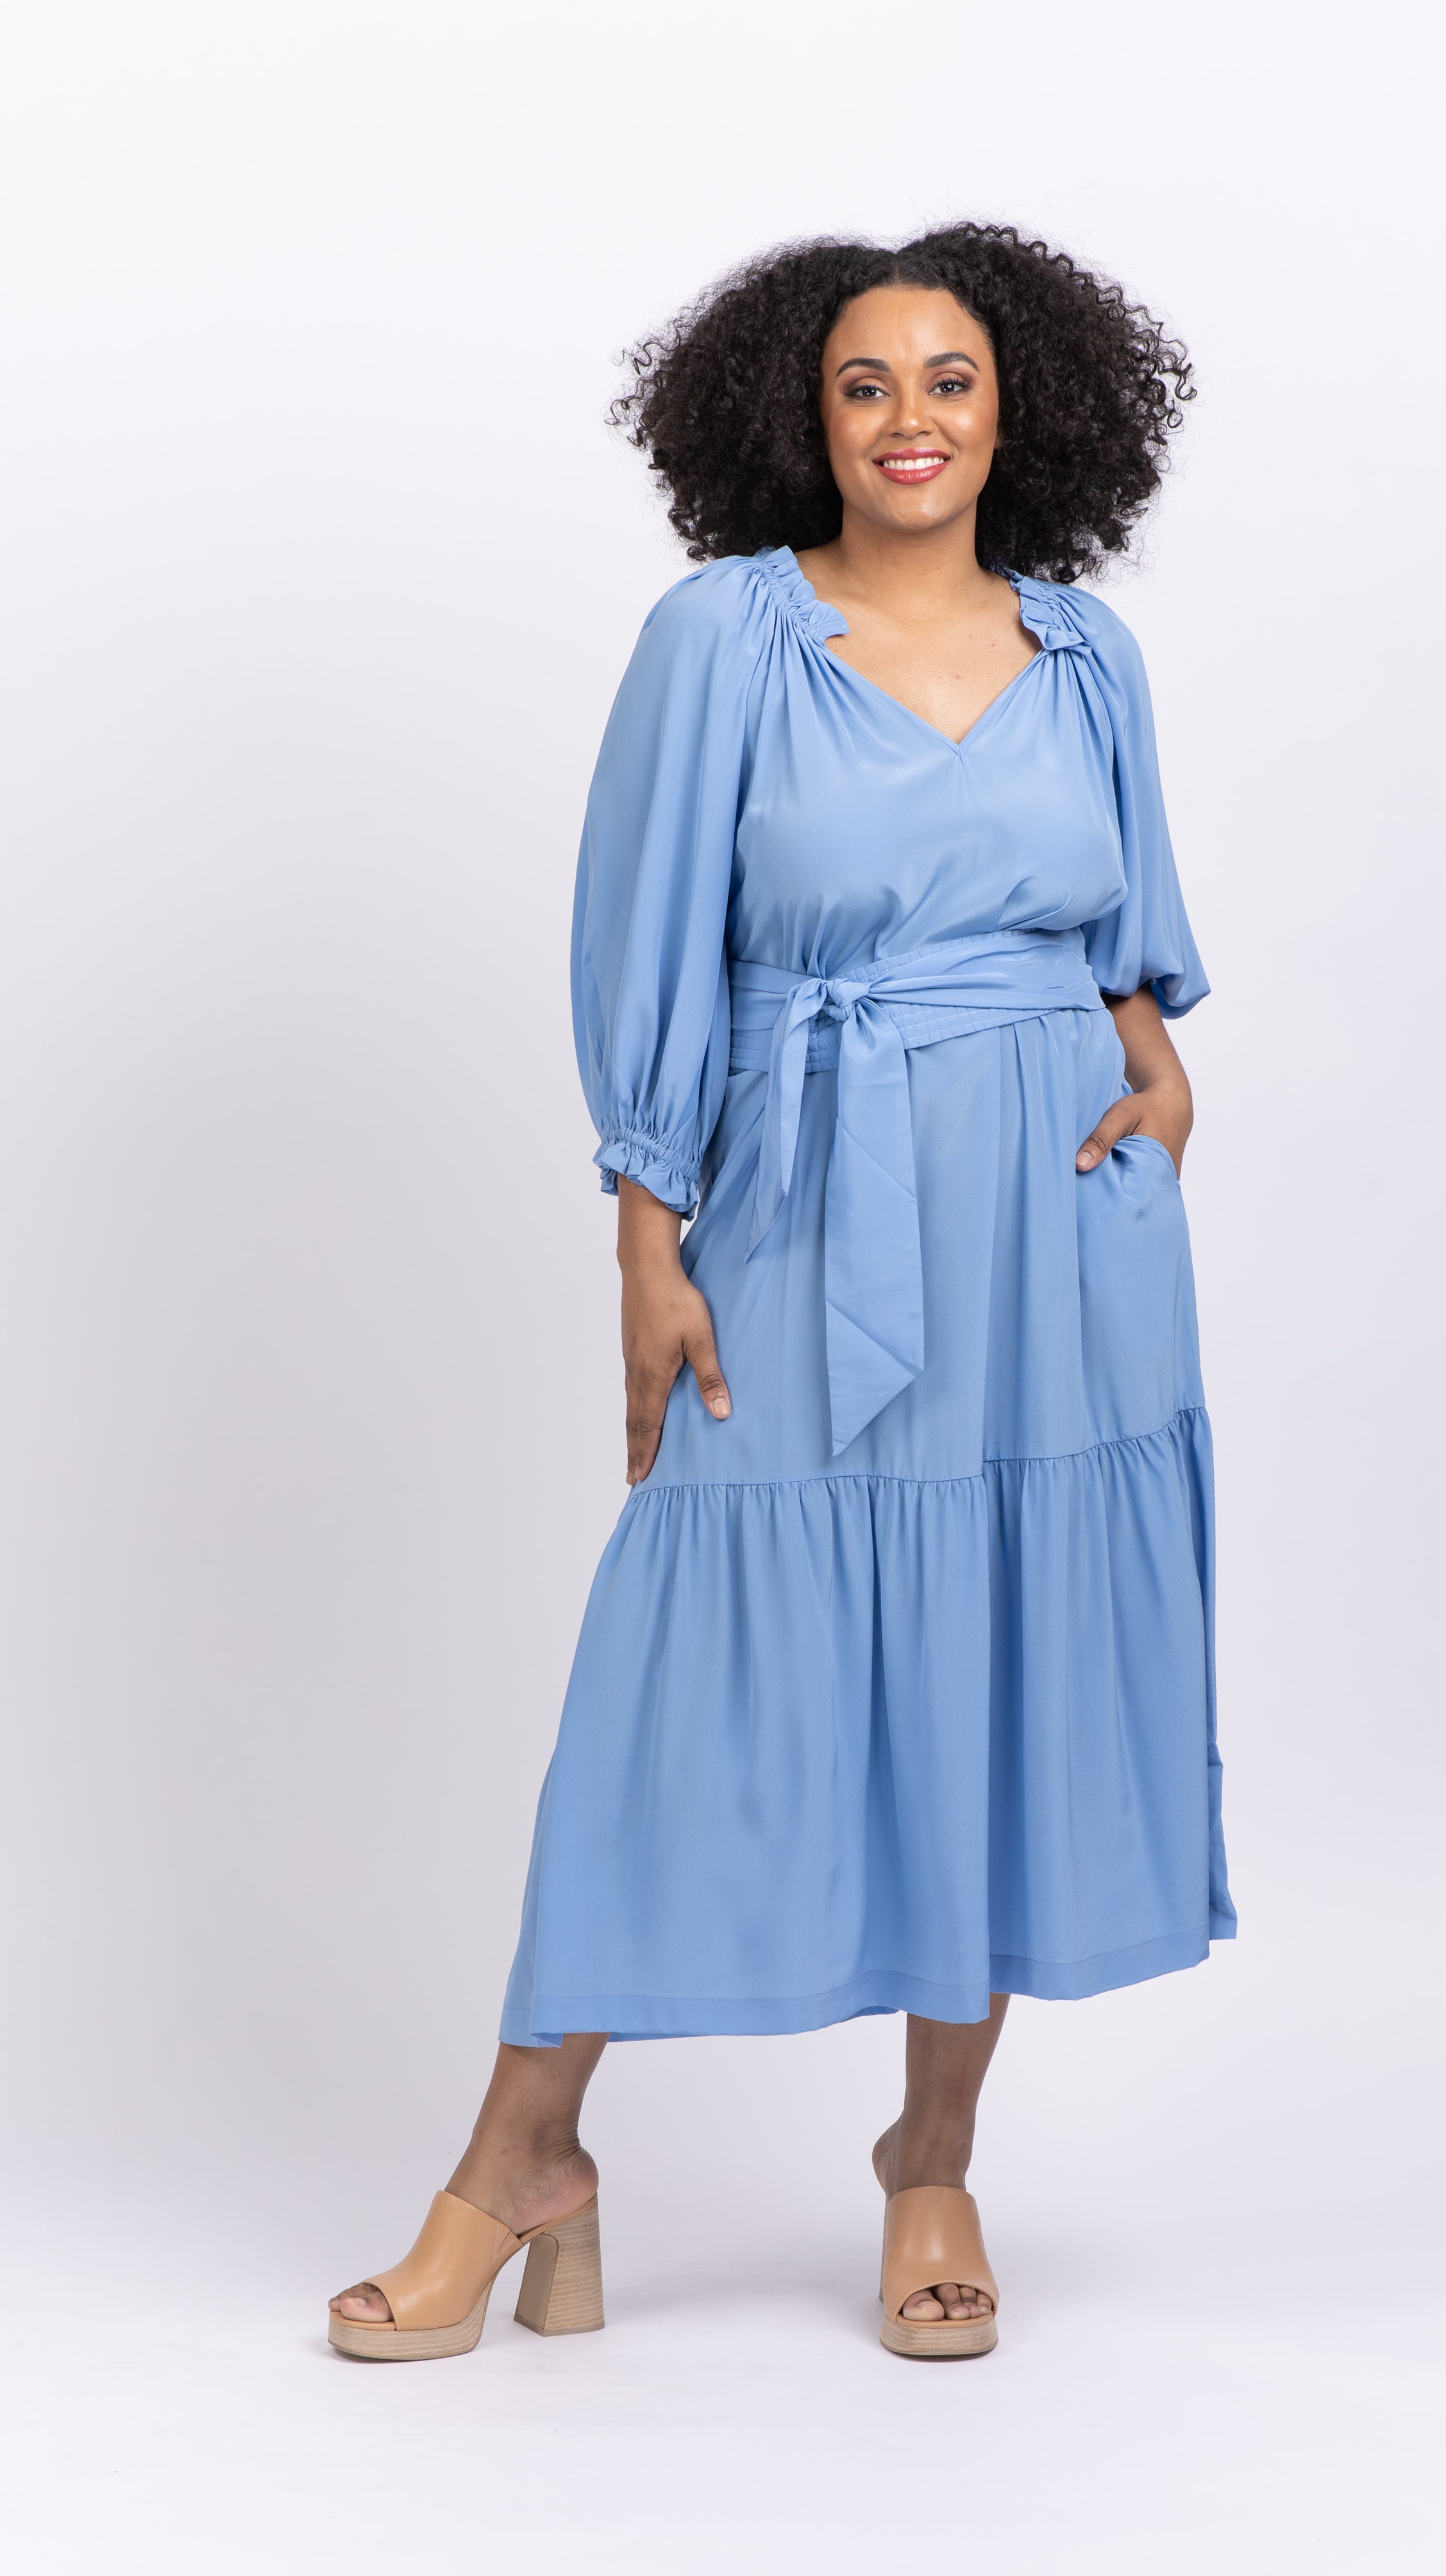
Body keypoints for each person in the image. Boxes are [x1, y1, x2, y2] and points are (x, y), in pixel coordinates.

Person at [328, 224, 1233, 2366]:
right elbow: (643, 932)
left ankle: (934, 2158)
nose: (912, 419)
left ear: (1021, 411)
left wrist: (1162, 1066)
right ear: (799, 419)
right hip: (811, 1199)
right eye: (865, 384)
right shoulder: (725, 638)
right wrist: (646, 1233)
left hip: (1057, 1225)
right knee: (679, 1669)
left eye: (951, 378)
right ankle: (521, 2159)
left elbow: (1123, 931)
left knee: (997, 1649)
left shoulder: (1088, 651)